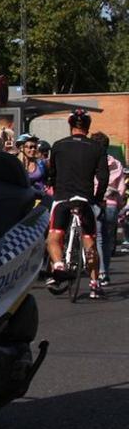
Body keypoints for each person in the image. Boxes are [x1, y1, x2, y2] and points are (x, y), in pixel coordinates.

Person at [44, 110, 109, 299]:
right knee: (90, 242)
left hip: (63, 198)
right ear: (87, 127)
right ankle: (95, 284)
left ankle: (58, 265)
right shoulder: (97, 148)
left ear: (71, 126)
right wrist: (97, 197)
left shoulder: (58, 145)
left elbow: (52, 173)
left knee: (54, 237)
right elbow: (103, 177)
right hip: (85, 200)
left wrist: (53, 185)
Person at [90, 132, 124, 286]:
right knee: (107, 239)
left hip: (96, 203)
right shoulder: (116, 164)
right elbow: (121, 189)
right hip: (111, 205)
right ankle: (105, 272)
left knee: (97, 238)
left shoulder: (90, 162)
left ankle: (99, 272)